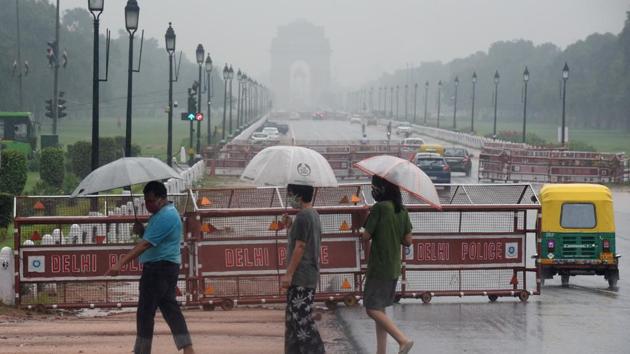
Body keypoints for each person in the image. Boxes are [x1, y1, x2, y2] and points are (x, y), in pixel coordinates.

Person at [107, 181, 194, 354]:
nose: (148, 205)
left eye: (151, 201)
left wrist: (120, 263)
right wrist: (142, 230)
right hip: (166, 268)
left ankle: (142, 350)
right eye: (146, 200)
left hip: (158, 269)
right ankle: (188, 348)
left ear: (162, 199)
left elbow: (145, 245)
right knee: (170, 309)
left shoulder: (165, 216)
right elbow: (152, 238)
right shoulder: (162, 214)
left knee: (145, 312)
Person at [361, 175, 414, 354]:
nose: (373, 190)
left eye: (374, 186)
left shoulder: (379, 208)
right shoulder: (402, 210)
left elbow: (366, 236)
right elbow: (408, 240)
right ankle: (381, 351)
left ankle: (402, 339)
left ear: (382, 189)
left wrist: (369, 221)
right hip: (393, 266)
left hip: (379, 266)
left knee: (371, 308)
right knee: (380, 309)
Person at [281, 184, 326, 354]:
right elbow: (302, 239)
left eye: (290, 195)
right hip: (309, 274)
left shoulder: (303, 216)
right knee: (294, 319)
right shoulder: (313, 214)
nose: (289, 199)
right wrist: (290, 226)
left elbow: (300, 247)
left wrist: (289, 274)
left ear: (298, 196)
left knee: (301, 322)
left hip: (301, 275)